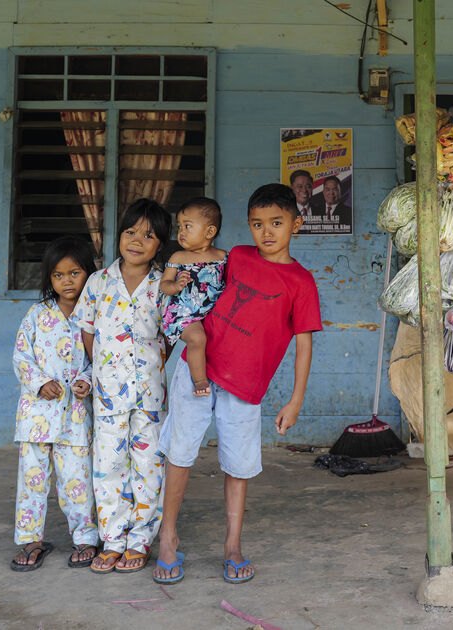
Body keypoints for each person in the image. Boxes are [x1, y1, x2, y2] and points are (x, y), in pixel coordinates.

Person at [154, 183, 321, 586]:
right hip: (201, 367)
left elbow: (304, 344)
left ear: (295, 225)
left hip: (246, 386)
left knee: (239, 465)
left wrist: (296, 399)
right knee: (179, 453)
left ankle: (233, 545)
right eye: (257, 224)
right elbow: (196, 274)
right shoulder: (237, 257)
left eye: (276, 223)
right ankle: (167, 536)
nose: (266, 232)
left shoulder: (302, 282)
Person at [71, 198, 173, 575]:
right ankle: (113, 539)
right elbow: (87, 330)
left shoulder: (163, 284)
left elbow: (170, 334)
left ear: (160, 243)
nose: (137, 240)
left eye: (148, 235)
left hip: (149, 393)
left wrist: (155, 362)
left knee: (149, 466)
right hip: (109, 393)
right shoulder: (99, 282)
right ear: (119, 235)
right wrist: (103, 368)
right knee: (108, 466)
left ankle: (140, 539)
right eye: (130, 231)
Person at [9, 236, 100, 572]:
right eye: (58, 275)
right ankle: (30, 539)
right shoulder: (36, 315)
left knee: (77, 480)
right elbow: (21, 356)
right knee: (32, 480)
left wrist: (86, 382)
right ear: (49, 278)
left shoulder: (93, 317)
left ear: (88, 274)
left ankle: (86, 539)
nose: (67, 281)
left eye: (74, 273)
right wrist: (40, 382)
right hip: (36, 417)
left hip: (75, 418)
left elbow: (98, 360)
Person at [159, 198, 227, 397]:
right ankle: (199, 381)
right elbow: (164, 285)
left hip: (211, 312)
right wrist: (176, 285)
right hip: (184, 312)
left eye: (188, 226)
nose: (181, 232)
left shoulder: (223, 257)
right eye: (179, 227)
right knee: (197, 338)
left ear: (209, 232)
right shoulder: (178, 258)